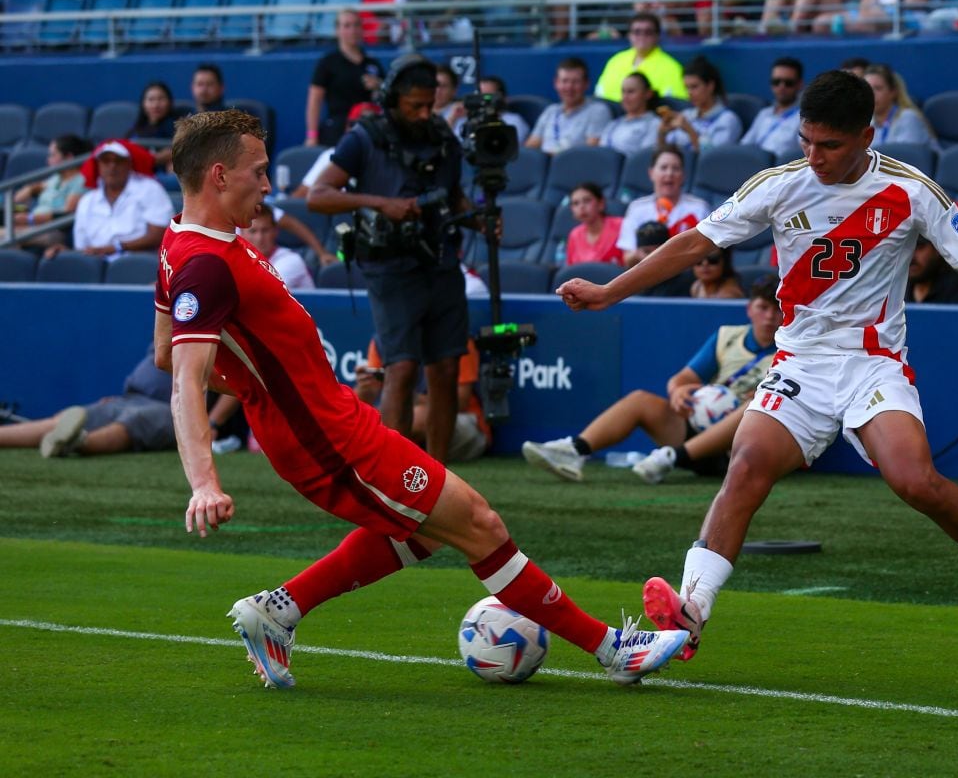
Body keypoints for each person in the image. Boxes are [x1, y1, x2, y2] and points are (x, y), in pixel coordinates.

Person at [155, 108, 686, 689]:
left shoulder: (183, 239)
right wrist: (204, 481)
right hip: (326, 440)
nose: (268, 183)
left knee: (429, 529)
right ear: (218, 176)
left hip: (332, 422)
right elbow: (183, 376)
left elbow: (165, 352)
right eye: (257, 171)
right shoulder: (205, 265)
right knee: (480, 523)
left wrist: (262, 388)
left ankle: (279, 610)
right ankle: (613, 649)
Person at [555, 70, 958, 663]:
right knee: (745, 465)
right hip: (799, 361)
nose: (814, 156)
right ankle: (691, 611)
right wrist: (608, 291)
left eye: (829, 145)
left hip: (872, 364)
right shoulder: (780, 186)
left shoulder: (911, 190)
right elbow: (696, 243)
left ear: (866, 136)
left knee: (915, 481)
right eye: (806, 141)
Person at [307, 55, 475, 463]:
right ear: (392, 99)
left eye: (429, 104)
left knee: (446, 369)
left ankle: (438, 475)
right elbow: (318, 196)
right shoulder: (364, 137)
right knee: (400, 368)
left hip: (440, 261)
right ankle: (394, 474)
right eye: (415, 105)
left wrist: (478, 218)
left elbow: (453, 196)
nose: (423, 113)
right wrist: (383, 204)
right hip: (389, 267)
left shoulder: (442, 136)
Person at [523, 275, 780, 483]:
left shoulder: (791, 351)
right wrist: (678, 392)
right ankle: (575, 450)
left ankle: (671, 458)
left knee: (756, 406)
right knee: (640, 400)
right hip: (700, 430)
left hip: (745, 448)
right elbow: (681, 379)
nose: (769, 317)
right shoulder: (728, 336)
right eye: (763, 307)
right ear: (749, 309)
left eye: (777, 310)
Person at [0, 343, 227, 459]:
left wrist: (212, 423)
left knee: (134, 421)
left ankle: (77, 443)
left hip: (177, 409)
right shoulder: (173, 318)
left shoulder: (224, 331)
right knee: (76, 415)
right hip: (134, 395)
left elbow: (239, 388)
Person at [355, 336, 490, 462]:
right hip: (406, 427)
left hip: (466, 424)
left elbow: (460, 402)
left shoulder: (457, 337)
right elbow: (361, 407)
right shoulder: (384, 338)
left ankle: (385, 451)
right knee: (367, 420)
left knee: (412, 415)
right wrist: (365, 390)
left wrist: (407, 396)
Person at [47, 140, 173, 261]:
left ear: (129, 163)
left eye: (118, 161)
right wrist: (67, 252)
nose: (112, 166)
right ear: (98, 165)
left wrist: (117, 248)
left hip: (139, 265)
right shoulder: (87, 200)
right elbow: (83, 248)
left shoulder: (150, 188)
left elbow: (160, 235)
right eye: (106, 161)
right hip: (96, 267)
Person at [616, 145, 709, 268]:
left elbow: (708, 252)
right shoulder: (637, 209)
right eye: (663, 168)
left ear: (683, 175)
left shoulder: (699, 208)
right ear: (651, 173)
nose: (669, 173)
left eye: (675, 168)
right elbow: (627, 259)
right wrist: (645, 252)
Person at [305, 10, 385, 148]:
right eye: (347, 26)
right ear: (337, 30)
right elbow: (314, 101)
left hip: (368, 127)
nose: (352, 30)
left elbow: (385, 98)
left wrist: (379, 85)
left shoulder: (372, 63)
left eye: (356, 25)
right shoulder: (328, 63)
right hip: (338, 129)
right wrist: (312, 135)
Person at [2, 134, 89, 244]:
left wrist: (30, 219)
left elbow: (65, 216)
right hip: (31, 225)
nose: (48, 160)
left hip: (52, 231)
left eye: (52, 155)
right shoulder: (56, 178)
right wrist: (30, 189)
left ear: (69, 158)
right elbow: (19, 198)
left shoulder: (80, 181)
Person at [594, 12, 687, 103]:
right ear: (629, 35)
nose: (642, 36)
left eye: (648, 32)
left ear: (657, 36)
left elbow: (677, 105)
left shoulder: (672, 67)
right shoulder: (615, 61)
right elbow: (599, 96)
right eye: (637, 32)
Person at [525, 58, 612, 155]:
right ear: (556, 83)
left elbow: (591, 152)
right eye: (564, 81)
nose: (569, 87)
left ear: (586, 84)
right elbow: (531, 147)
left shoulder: (597, 111)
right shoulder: (550, 111)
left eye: (575, 82)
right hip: (543, 167)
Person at [658, 56, 742, 152]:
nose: (689, 93)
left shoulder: (727, 120)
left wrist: (690, 131)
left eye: (694, 87)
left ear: (710, 86)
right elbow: (665, 154)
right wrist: (662, 134)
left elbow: (714, 160)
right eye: (686, 88)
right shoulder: (685, 115)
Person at [740, 57, 804, 160]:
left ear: (799, 84)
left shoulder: (803, 118)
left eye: (788, 83)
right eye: (776, 82)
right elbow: (745, 146)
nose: (781, 87)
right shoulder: (764, 113)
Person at [241, 204, 314, 290]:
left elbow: (264, 292)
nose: (259, 238)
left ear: (275, 231)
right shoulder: (239, 260)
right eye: (253, 231)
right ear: (241, 234)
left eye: (265, 230)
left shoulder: (291, 260)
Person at [864, 63, 935, 147]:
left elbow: (906, 157)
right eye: (867, 88)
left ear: (893, 92)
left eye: (878, 88)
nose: (871, 94)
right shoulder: (868, 122)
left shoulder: (908, 117)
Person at [453, 74, 529, 145]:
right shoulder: (468, 121)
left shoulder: (514, 121)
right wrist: (453, 117)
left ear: (503, 98)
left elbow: (512, 151)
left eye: (488, 97)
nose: (483, 101)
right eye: (480, 96)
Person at [598, 72, 662, 156]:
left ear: (647, 94)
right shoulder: (613, 124)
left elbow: (644, 158)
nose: (625, 97)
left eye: (631, 92)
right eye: (623, 92)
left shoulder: (655, 124)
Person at [128, 80, 182, 173]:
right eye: (151, 99)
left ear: (169, 102)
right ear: (143, 104)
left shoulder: (179, 127)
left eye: (161, 99)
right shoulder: (136, 129)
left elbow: (184, 149)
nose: (156, 105)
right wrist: (153, 159)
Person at [906, 236, 958, 304]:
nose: (912, 257)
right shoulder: (899, 290)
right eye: (907, 249)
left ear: (937, 249)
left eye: (919, 248)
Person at [565, 182, 624, 267]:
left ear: (601, 204)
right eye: (576, 203)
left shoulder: (621, 225)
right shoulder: (574, 234)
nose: (581, 207)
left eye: (587, 201)